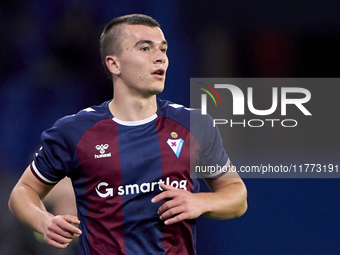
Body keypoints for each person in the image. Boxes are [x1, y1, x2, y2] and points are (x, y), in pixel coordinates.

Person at [8, 14, 247, 255]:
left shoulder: (194, 124)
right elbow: (22, 192)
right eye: (145, 48)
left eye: (163, 49)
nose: (160, 57)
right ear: (114, 64)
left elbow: (236, 196)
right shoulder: (73, 131)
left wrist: (200, 202)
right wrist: (45, 221)